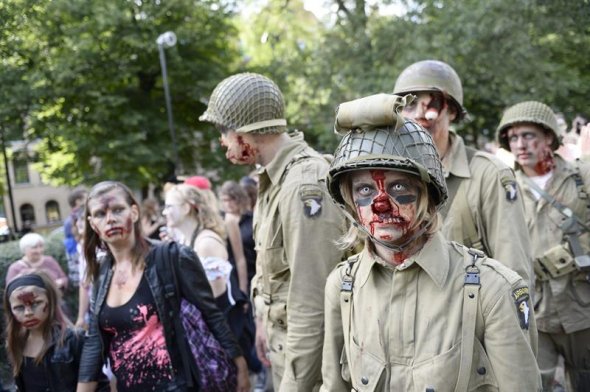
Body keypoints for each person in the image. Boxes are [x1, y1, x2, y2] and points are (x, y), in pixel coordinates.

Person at [320, 93, 541, 391]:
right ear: (349, 201)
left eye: (398, 186)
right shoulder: (343, 287)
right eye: (363, 190)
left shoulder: (493, 290)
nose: (380, 204)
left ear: (428, 194)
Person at [200, 72, 347, 391]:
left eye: (223, 131)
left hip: (307, 364)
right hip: (283, 347)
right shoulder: (272, 179)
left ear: (243, 132)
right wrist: (264, 326)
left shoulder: (303, 183)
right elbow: (274, 275)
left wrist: (295, 385)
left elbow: (313, 302)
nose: (222, 141)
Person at [77, 180, 250, 392]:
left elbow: (211, 314)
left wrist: (240, 366)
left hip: (177, 385)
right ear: (92, 223)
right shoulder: (101, 272)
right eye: (100, 214)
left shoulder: (172, 256)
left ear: (134, 212)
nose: (110, 219)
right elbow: (95, 341)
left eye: (118, 210)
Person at [392, 60, 533, 286]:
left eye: (431, 104)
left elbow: (514, 274)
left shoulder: (489, 175)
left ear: (453, 111)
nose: (419, 114)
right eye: (410, 105)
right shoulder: (386, 177)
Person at [496, 101, 590, 391]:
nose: (520, 145)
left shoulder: (581, 178)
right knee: (534, 384)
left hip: (582, 306)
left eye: (528, 135)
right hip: (534, 312)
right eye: (513, 138)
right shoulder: (504, 187)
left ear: (548, 137)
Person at [3, 272, 108, 391]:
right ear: (10, 311)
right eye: (19, 307)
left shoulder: (74, 340)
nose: (28, 313)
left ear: (50, 301)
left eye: (36, 303)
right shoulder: (15, 344)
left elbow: (100, 386)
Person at [219, 180, 256, 294]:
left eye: (232, 199)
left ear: (240, 199)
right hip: (231, 273)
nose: (228, 203)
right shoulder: (221, 221)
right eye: (225, 200)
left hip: (253, 270)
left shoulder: (251, 219)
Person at [63, 186, 87, 287]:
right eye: (86, 197)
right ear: (78, 201)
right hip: (77, 253)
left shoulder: (72, 217)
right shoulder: (75, 218)